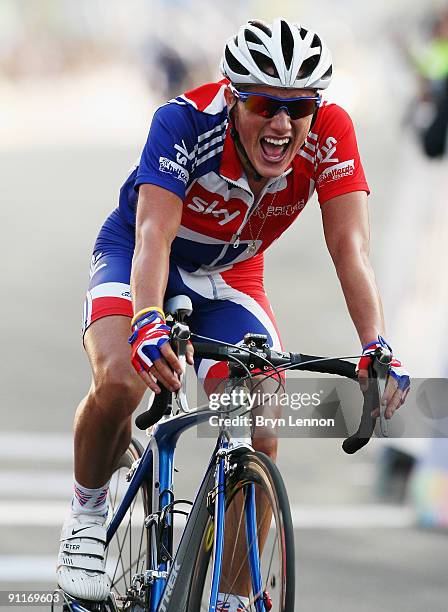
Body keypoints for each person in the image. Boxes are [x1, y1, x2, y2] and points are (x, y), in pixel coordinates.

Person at [56, 18, 410, 609]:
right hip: (142, 255)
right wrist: (147, 319)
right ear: (232, 95)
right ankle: (87, 515)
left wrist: (376, 344)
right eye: (265, 104)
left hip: (229, 275)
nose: (281, 124)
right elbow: (151, 235)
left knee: (261, 416)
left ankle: (235, 597)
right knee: (120, 377)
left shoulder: (330, 133)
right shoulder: (184, 121)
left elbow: (351, 249)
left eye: (299, 108)